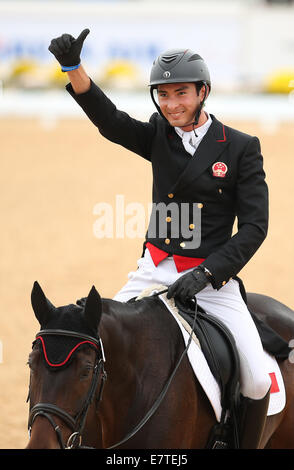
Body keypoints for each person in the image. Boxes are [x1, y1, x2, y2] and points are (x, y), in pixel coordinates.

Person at [48, 29, 272, 448]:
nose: (171, 105)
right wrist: (74, 70)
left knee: (258, 379)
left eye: (181, 93)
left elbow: (256, 228)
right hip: (152, 269)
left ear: (203, 92)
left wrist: (207, 273)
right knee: (98, 350)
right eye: (163, 96)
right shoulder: (158, 134)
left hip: (209, 279)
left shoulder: (241, 148)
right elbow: (110, 121)